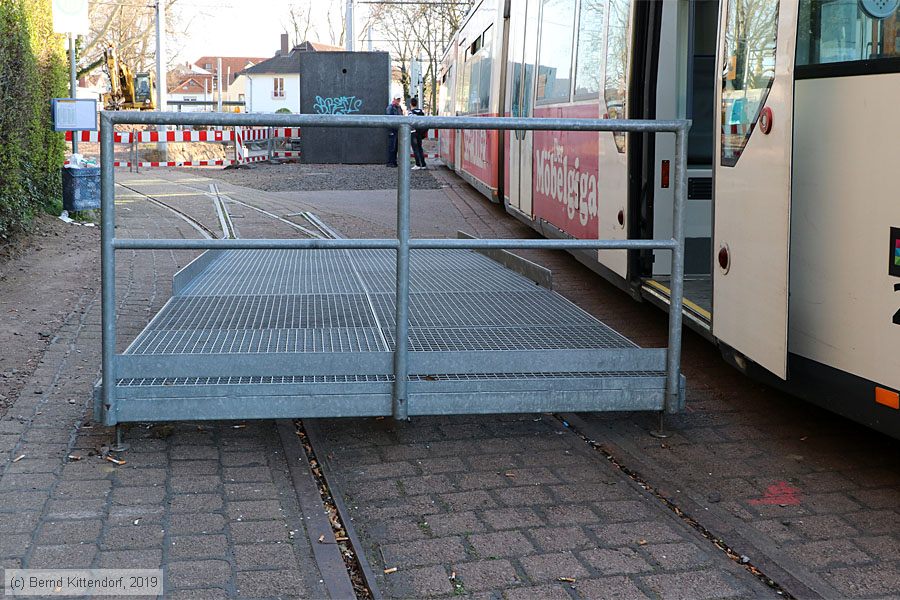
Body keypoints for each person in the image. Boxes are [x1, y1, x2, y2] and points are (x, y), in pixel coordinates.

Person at [408, 97, 427, 170]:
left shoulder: (411, 113)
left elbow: (410, 123)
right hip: (420, 132)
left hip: (413, 132)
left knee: (415, 148)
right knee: (420, 148)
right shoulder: (421, 112)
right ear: (416, 104)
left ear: (410, 104)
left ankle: (418, 164)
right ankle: (423, 164)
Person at [385, 96, 403, 167]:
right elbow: (389, 118)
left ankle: (393, 161)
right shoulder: (391, 107)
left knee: (395, 147)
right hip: (393, 129)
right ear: (394, 99)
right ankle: (390, 162)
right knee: (392, 146)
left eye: (399, 99)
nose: (398, 101)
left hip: (396, 129)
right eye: (397, 99)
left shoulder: (398, 107)